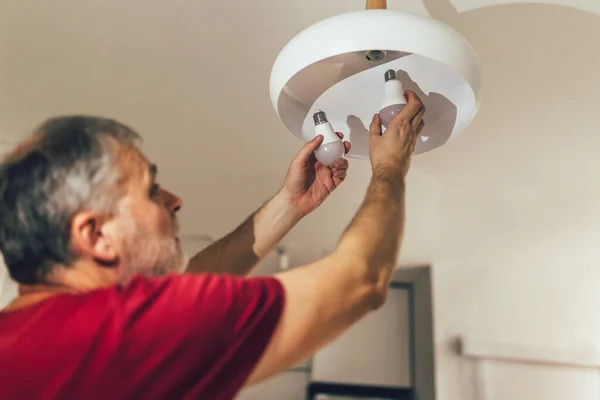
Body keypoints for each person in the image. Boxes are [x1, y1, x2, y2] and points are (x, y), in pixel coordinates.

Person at [0, 91, 425, 400]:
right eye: (152, 190)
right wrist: (389, 168)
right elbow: (359, 281)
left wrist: (289, 206)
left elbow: (188, 292)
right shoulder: (123, 335)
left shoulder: (29, 336)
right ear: (96, 236)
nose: (174, 200)